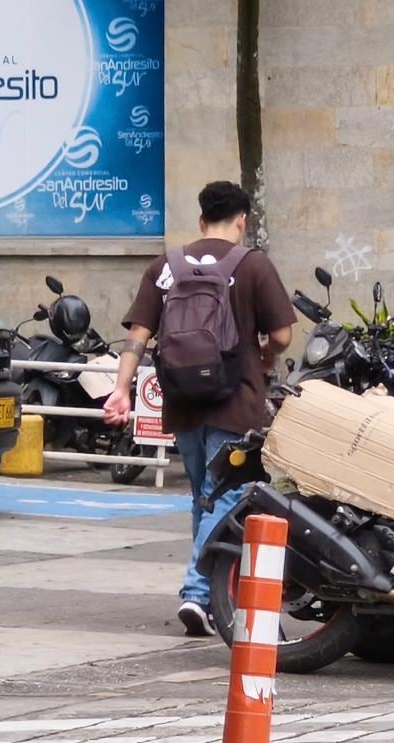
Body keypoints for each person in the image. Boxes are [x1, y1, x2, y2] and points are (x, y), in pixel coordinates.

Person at [103, 181, 295, 636]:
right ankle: (196, 592)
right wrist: (265, 354)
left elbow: (138, 334)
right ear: (242, 220)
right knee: (227, 495)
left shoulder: (165, 267)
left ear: (201, 218)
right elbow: (284, 335)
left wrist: (121, 389)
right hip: (235, 399)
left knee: (204, 497)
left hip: (183, 399)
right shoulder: (252, 266)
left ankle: (208, 597)